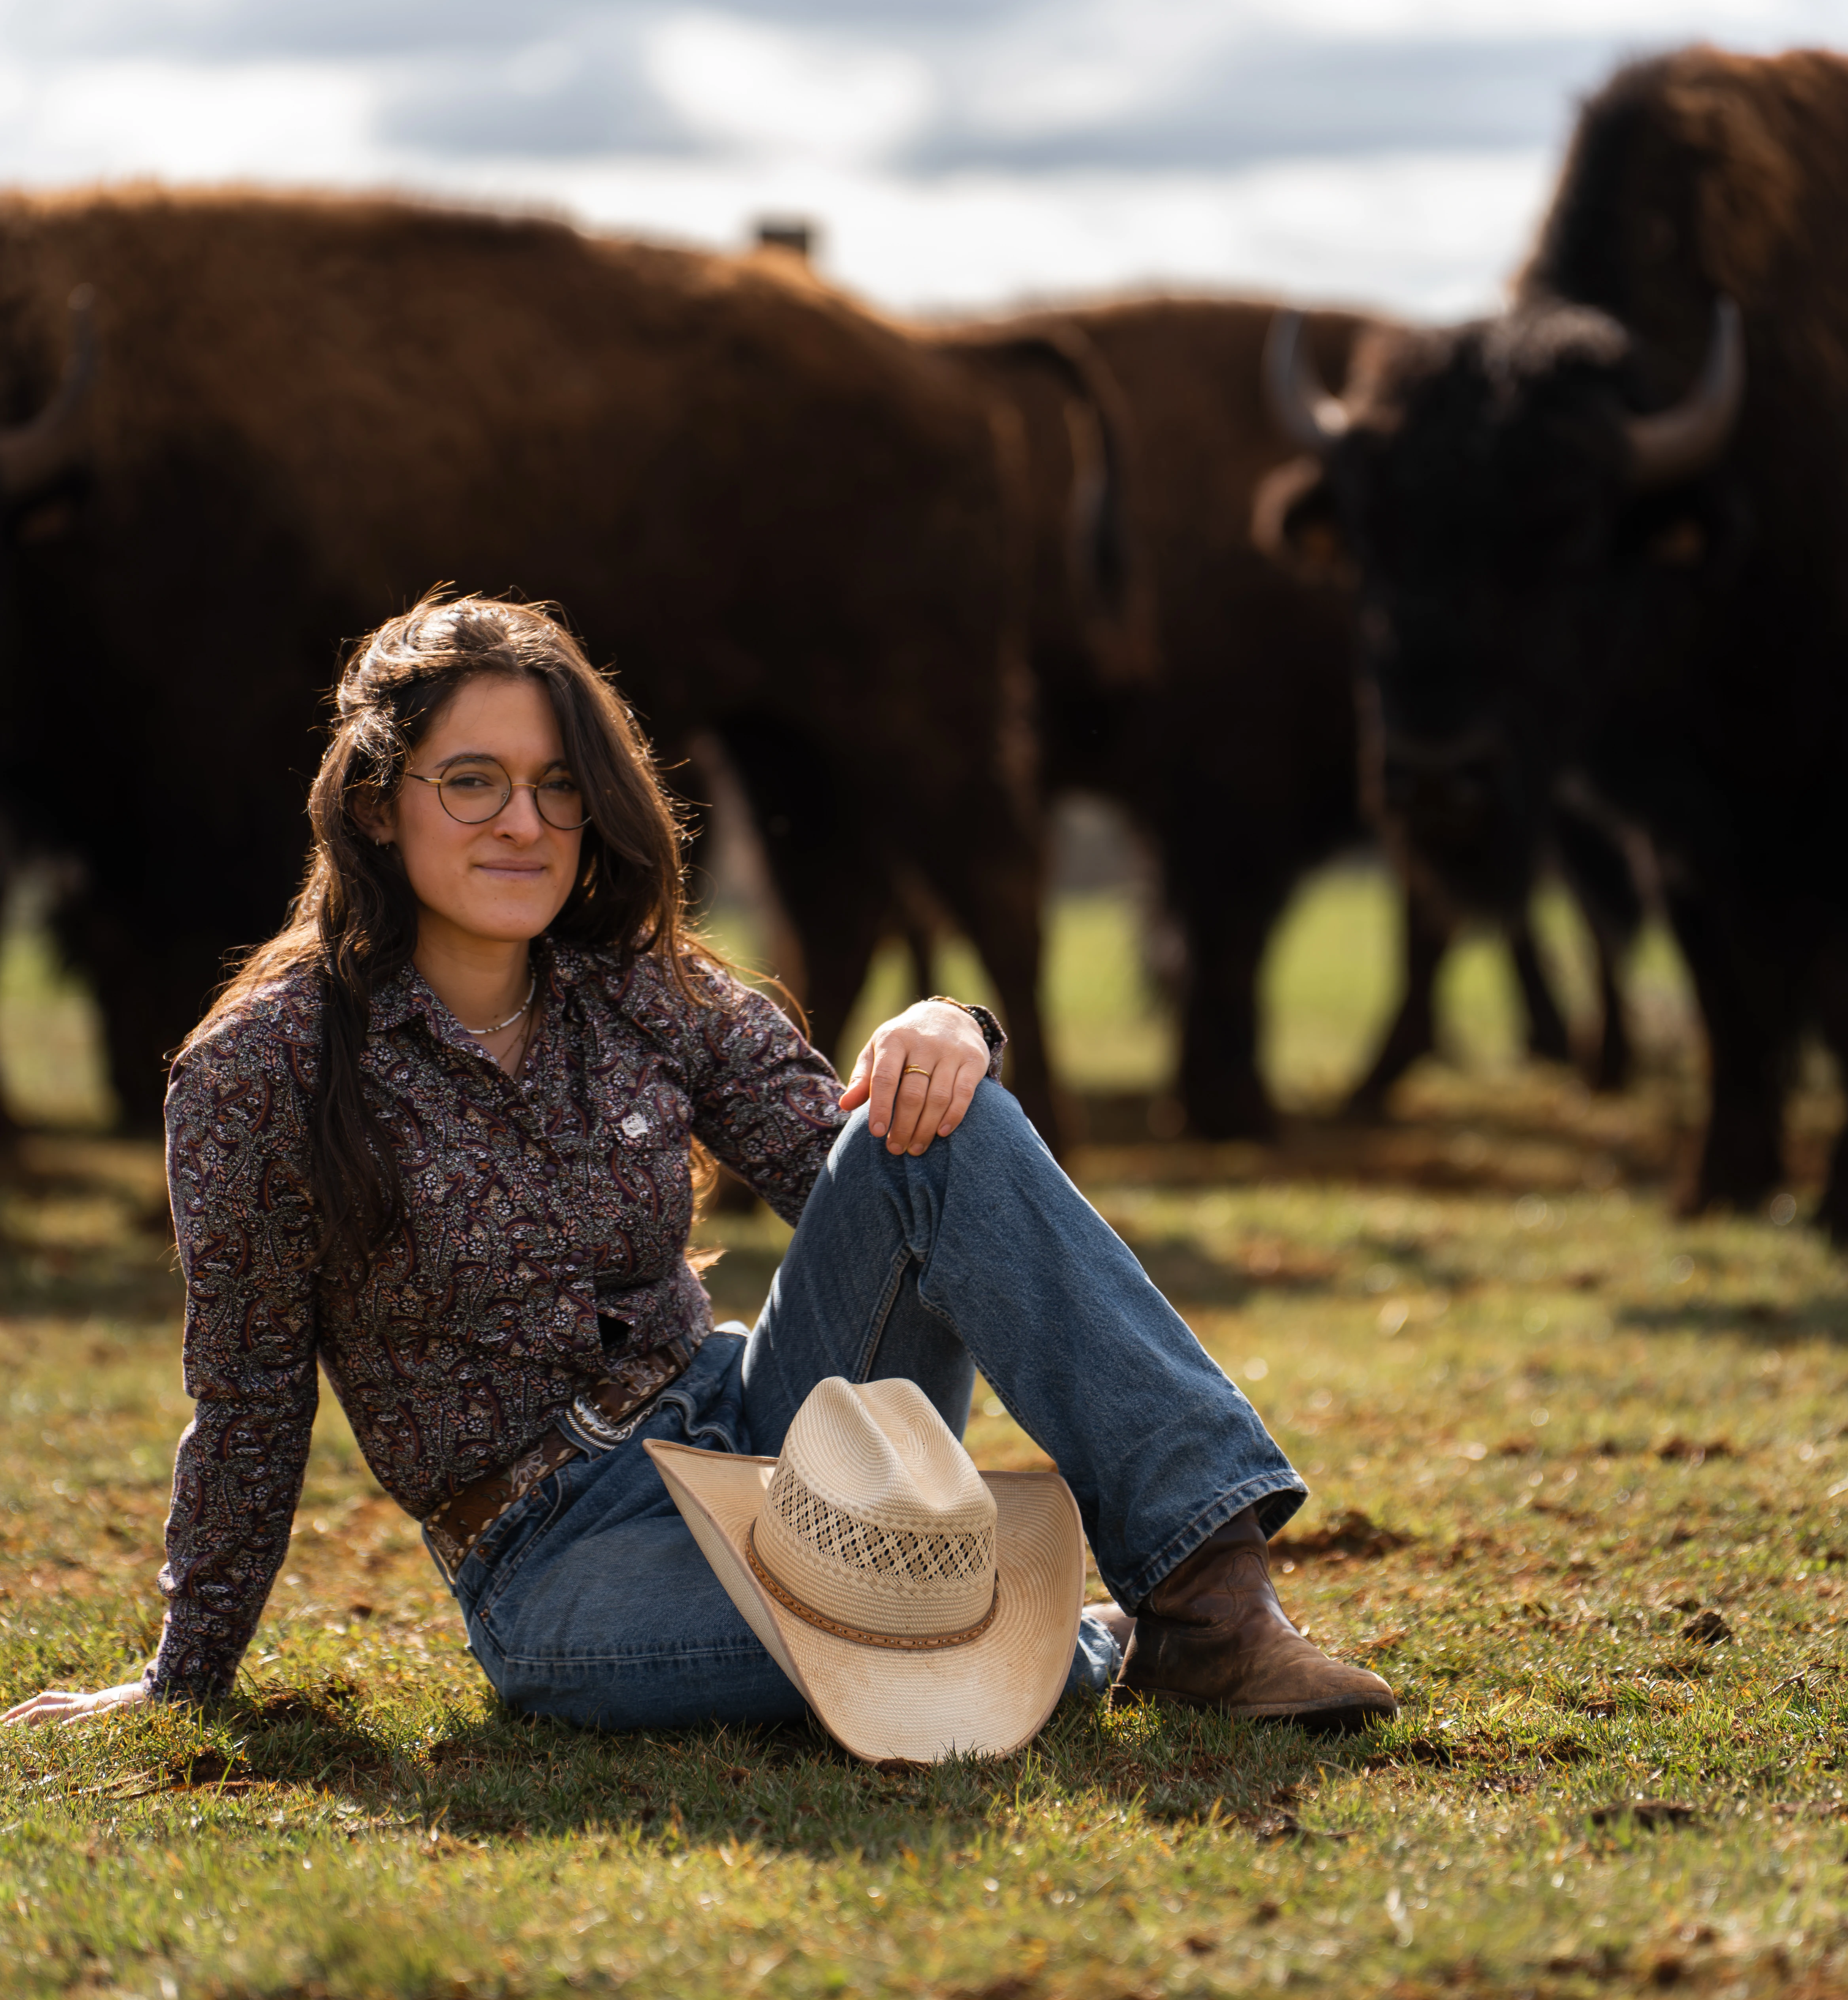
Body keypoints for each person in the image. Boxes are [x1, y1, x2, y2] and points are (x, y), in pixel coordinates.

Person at [4, 596, 1395, 1741]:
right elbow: (246, 1398)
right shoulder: (262, 1068)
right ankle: (1055, 1636)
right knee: (895, 1628)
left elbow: (864, 1163)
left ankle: (1209, 1603)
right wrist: (183, 1676)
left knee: (940, 1120)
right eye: (472, 782)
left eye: (558, 786)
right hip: (556, 1554)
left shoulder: (640, 987)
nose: (524, 823)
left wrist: (949, 1030)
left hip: (762, 1425)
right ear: (376, 803)